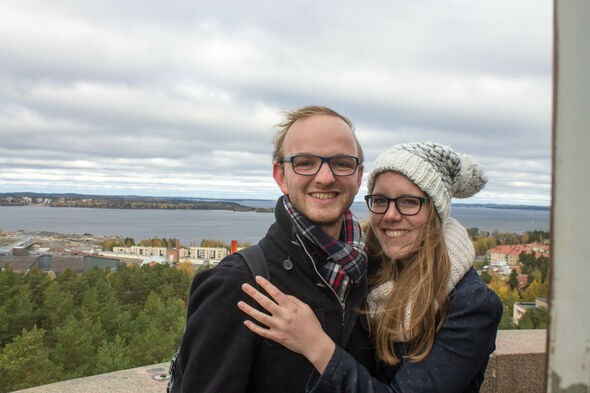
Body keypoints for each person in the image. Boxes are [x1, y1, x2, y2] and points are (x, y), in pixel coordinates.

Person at [239, 142, 503, 393]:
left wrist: (315, 344)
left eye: (409, 202)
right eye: (380, 201)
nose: (390, 215)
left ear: (436, 212)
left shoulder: (470, 304)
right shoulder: (359, 265)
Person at [172, 105, 376, 392]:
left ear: (358, 177)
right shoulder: (239, 286)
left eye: (341, 163)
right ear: (281, 176)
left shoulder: (367, 276)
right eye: (305, 162)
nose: (325, 177)